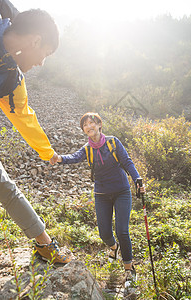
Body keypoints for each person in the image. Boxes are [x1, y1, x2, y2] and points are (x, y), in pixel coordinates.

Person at [0, 4, 71, 264]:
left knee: (2, 183)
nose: (40, 63)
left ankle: (43, 244)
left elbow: (25, 117)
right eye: (45, 54)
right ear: (35, 40)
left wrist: (49, 153)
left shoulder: (12, 77)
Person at [56, 112, 145, 289]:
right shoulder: (87, 149)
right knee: (104, 233)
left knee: (122, 231)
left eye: (92, 123)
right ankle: (114, 248)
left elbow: (127, 162)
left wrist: (137, 179)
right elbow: (74, 157)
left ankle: (129, 270)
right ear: (83, 130)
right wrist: (58, 158)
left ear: (99, 125)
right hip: (101, 194)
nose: (89, 127)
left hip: (122, 191)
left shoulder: (113, 142)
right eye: (85, 125)